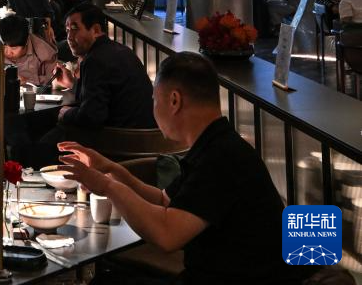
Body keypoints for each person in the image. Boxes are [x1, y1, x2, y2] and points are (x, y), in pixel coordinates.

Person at [59, 52, 317, 285]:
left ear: (174, 100)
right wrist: (111, 169)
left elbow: (167, 234)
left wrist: (106, 186)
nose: (152, 107)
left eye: (154, 99)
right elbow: (164, 200)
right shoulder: (214, 143)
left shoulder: (221, 157)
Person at [33, 3, 155, 167]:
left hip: (119, 144)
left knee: (41, 147)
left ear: (96, 30)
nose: (69, 37)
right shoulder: (121, 51)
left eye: (75, 28)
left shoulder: (95, 60)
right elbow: (106, 95)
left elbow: (92, 116)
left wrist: (66, 113)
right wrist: (72, 83)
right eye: (67, 30)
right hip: (144, 141)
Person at [0, 13, 57, 85]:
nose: (8, 52)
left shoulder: (45, 52)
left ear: (26, 42)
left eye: (14, 48)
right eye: (4, 46)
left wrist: (27, 80)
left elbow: (54, 79)